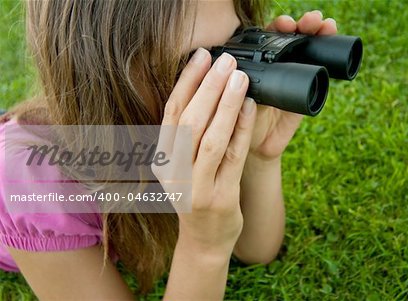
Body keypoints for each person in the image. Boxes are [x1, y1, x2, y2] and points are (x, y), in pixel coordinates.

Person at [0, 0, 337, 299]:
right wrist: (203, 246)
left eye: (234, 49)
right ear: (101, 79)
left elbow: (257, 251)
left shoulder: (161, 136)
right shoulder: (32, 183)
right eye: (186, 68)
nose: (228, 83)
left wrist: (261, 158)